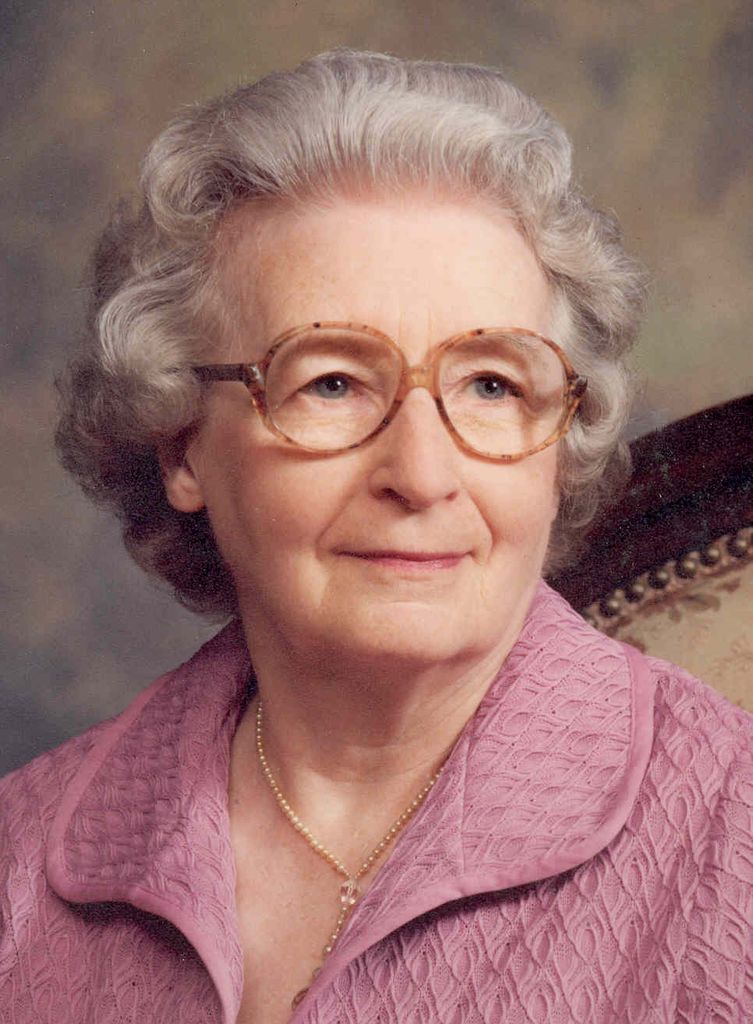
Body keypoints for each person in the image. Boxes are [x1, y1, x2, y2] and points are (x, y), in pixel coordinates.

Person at [1, 49, 751, 1024]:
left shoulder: (732, 836)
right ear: (182, 443)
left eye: (492, 384)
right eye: (332, 382)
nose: (422, 473)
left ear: (561, 442)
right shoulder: (20, 863)